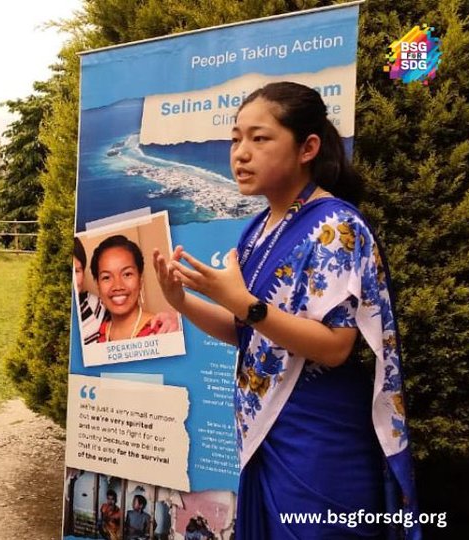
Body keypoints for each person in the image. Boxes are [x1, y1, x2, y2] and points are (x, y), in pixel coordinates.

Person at [153, 81, 418, 538]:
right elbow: (249, 333)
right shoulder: (257, 229)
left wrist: (244, 304)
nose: (240, 153)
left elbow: (335, 348)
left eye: (260, 138)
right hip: (267, 433)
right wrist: (182, 302)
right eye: (236, 138)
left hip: (319, 438)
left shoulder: (337, 227)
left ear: (307, 147)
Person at [92, 235, 160, 343]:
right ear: (98, 285)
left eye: (127, 274)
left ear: (140, 279)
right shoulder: (99, 333)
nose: (117, 286)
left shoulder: (162, 330)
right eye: (106, 277)